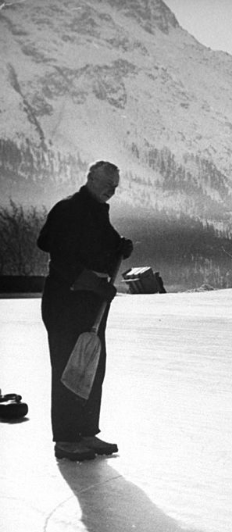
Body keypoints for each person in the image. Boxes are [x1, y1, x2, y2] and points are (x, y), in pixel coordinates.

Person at [37, 160, 134, 462]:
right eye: (107, 184)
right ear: (91, 178)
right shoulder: (68, 209)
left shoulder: (95, 211)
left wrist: (120, 245)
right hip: (66, 302)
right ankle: (66, 438)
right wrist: (94, 284)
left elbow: (100, 241)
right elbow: (62, 260)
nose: (111, 191)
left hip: (91, 304)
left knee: (91, 366)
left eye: (115, 187)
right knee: (69, 369)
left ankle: (86, 432)